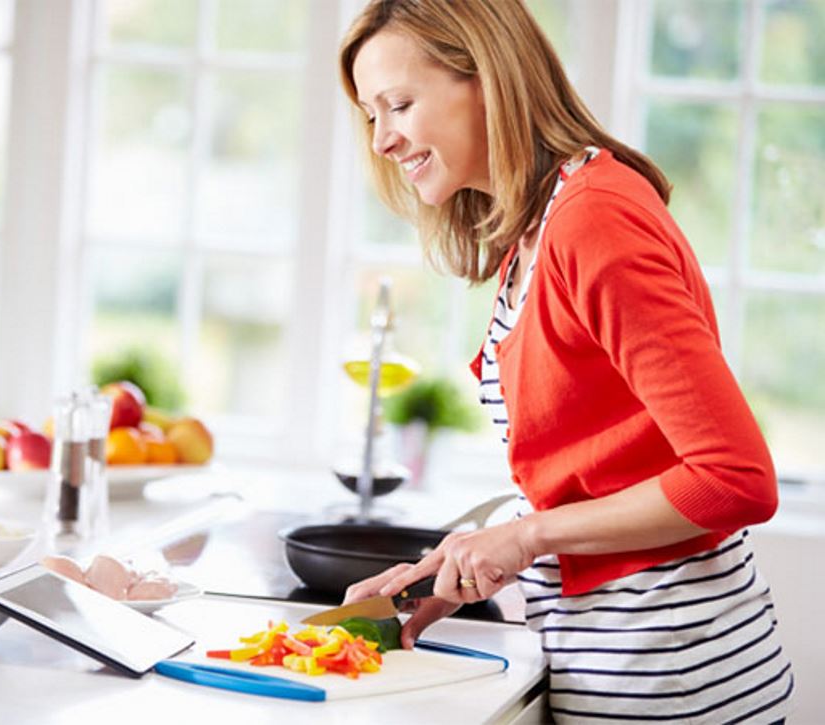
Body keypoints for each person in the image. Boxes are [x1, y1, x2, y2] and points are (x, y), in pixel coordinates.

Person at [338, 1, 794, 721]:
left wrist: (525, 536)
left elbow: (733, 478)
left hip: (666, 677)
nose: (383, 139)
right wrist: (456, 566)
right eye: (370, 115)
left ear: (487, 77)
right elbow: (599, 475)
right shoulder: (536, 230)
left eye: (398, 104)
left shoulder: (593, 219)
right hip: (608, 663)